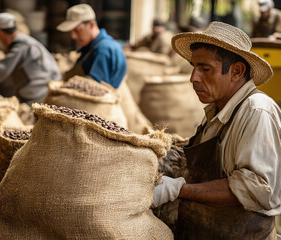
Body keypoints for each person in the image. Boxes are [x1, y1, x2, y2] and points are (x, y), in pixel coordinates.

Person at [153, 21, 281, 239]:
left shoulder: (256, 110)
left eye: (205, 69)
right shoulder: (216, 111)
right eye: (194, 67)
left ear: (236, 71)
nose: (193, 78)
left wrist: (178, 189)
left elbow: (255, 187)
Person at [0, 12, 61, 105]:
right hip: (43, 89)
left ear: (0, 32)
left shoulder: (21, 45)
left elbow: (3, 68)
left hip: (39, 92)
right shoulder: (25, 41)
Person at [56, 4, 126, 89]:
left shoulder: (103, 50)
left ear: (91, 25)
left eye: (78, 30)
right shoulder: (92, 47)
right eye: (71, 31)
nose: (73, 36)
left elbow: (96, 89)